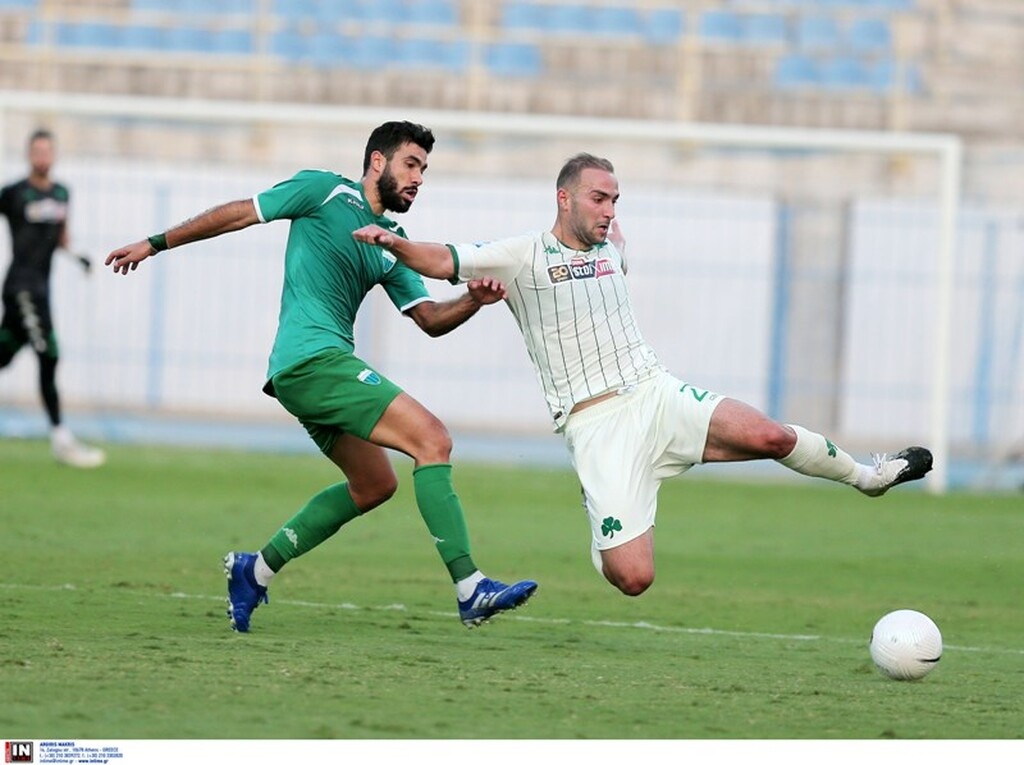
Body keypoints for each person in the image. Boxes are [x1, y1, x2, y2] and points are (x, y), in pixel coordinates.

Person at [351, 152, 934, 597]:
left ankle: (868, 477)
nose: (609, 211)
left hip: (656, 393)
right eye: (599, 199)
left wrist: (614, 232)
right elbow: (442, 259)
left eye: (615, 200)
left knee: (770, 436)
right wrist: (393, 243)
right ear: (563, 199)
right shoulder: (523, 254)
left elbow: (617, 245)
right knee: (633, 579)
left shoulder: (612, 247)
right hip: (596, 426)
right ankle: (605, 527)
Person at [105, 121, 537, 631]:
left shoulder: (392, 242)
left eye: (424, 169)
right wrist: (155, 243)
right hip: (312, 361)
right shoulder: (323, 190)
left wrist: (471, 300)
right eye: (411, 164)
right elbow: (240, 213)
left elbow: (428, 319)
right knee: (433, 440)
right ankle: (471, 588)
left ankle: (254, 571)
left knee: (374, 484)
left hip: (307, 374)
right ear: (377, 161)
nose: (419, 178)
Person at [1, 129, 105, 469]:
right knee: (49, 353)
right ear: (28, 155)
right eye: (37, 151)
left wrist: (77, 256)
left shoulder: (62, 193)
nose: (42, 157)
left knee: (4, 353)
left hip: (41, 288)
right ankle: (61, 438)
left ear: (54, 155)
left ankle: (61, 438)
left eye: (47, 151)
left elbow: (61, 237)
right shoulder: (14, 193)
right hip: (21, 287)